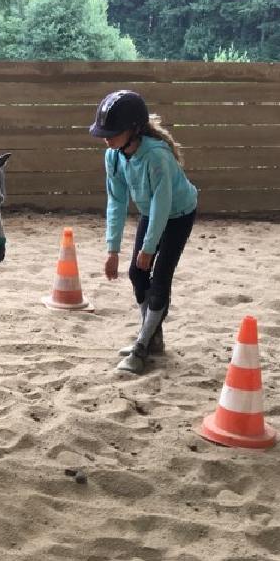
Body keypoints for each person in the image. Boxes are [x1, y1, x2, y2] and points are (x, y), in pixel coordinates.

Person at [89, 90, 198, 375]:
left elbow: (163, 205)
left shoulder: (156, 157)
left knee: (160, 276)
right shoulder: (113, 156)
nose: (106, 138)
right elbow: (116, 201)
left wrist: (148, 248)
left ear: (134, 129)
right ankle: (152, 338)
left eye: (112, 132)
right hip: (152, 213)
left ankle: (141, 345)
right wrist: (112, 250)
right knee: (137, 273)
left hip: (178, 215)